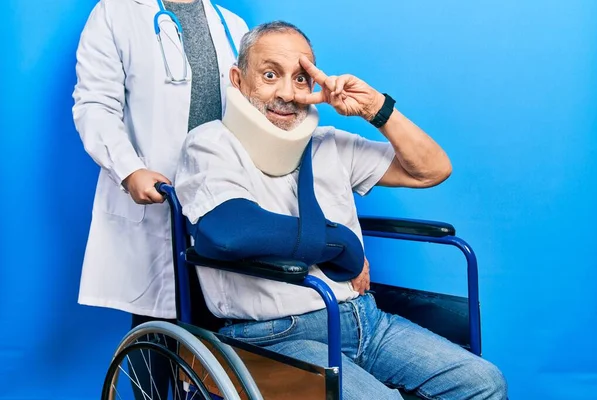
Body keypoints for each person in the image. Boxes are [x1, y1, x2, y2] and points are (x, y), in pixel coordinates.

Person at [175, 21, 508, 399]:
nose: (286, 92)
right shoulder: (211, 144)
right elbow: (231, 231)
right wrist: (342, 243)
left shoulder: (330, 144)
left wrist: (375, 109)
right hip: (276, 335)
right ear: (238, 79)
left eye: (301, 79)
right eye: (270, 75)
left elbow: (432, 169)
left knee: (484, 383)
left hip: (365, 319)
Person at [71, 0, 248, 397]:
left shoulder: (232, 25)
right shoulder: (115, 13)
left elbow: (255, 108)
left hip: (221, 207)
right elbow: (95, 105)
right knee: (156, 345)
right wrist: (129, 169)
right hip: (159, 205)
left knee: (222, 353)